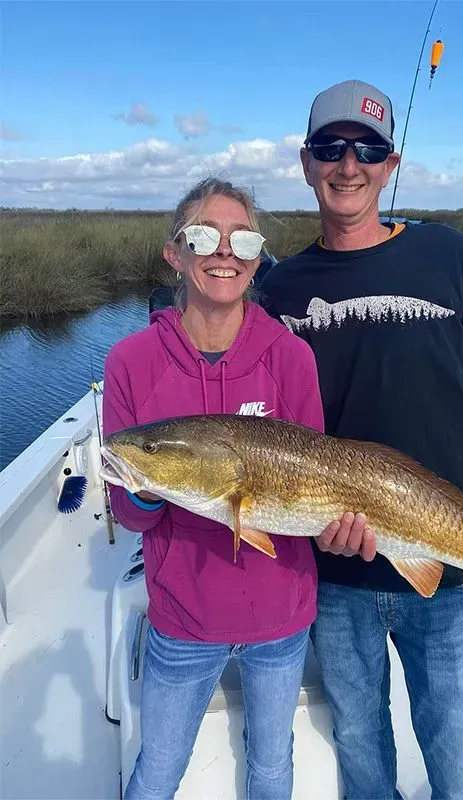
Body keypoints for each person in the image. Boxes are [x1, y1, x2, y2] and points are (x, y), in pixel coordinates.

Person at [259, 79, 463, 800]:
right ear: (306, 163)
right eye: (331, 147)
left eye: (369, 149)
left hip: (448, 568)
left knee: (459, 757)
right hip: (336, 577)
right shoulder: (279, 291)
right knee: (360, 747)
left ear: (391, 165)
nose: (348, 163)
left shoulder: (450, 257)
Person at [103, 178, 354, 800]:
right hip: (183, 617)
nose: (224, 252)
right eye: (203, 236)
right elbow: (128, 512)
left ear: (256, 255)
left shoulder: (291, 357)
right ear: (175, 253)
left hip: (281, 615)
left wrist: (343, 526)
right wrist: (152, 486)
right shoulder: (129, 363)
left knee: (272, 769)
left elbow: (315, 480)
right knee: (157, 770)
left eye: (242, 239)